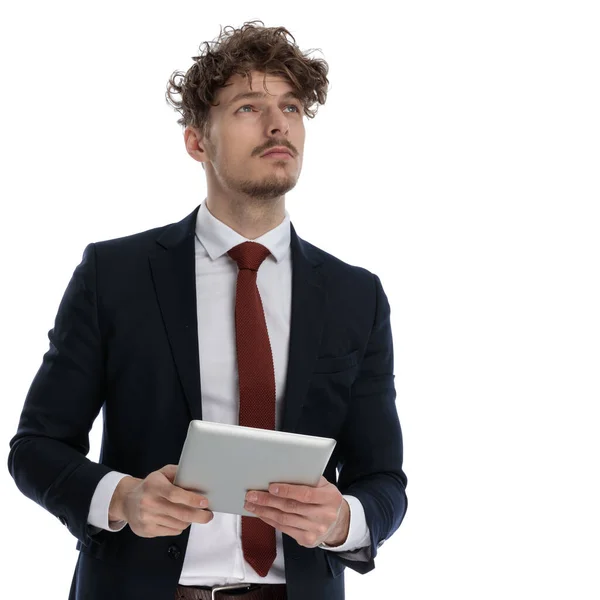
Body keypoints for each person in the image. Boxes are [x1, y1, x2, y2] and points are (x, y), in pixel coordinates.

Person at [7, 20, 407, 600]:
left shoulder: (356, 294)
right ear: (197, 140)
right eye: (249, 107)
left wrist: (345, 520)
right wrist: (122, 498)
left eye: (292, 107)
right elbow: (36, 448)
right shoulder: (114, 274)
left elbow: (384, 482)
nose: (278, 125)